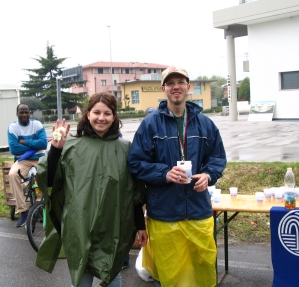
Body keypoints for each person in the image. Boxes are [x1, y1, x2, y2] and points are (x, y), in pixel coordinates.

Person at [127, 66, 227, 287]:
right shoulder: (150, 124)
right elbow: (135, 163)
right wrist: (164, 173)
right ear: (163, 89)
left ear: (188, 87)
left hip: (199, 210)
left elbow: (218, 158)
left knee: (202, 267)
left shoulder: (205, 124)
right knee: (170, 274)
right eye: (171, 83)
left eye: (180, 82)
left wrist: (208, 176)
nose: (176, 87)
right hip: (164, 213)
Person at [35, 93, 147, 287]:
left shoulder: (125, 149)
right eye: (96, 112)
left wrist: (140, 226)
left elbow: (134, 193)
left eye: (107, 113)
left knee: (112, 277)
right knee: (81, 279)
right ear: (88, 114)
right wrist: (55, 151)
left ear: (114, 117)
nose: (101, 118)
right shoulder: (71, 147)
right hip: (80, 225)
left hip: (113, 227)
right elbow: (51, 180)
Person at [8, 103, 47, 227]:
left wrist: (24, 141)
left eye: (26, 112)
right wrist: (34, 145)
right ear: (17, 113)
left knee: (45, 175)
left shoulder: (37, 125)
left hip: (39, 158)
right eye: (21, 112)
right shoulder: (13, 127)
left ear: (30, 113)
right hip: (23, 160)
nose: (24, 114)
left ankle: (37, 205)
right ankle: (23, 211)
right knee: (13, 174)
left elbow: (43, 144)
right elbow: (14, 149)